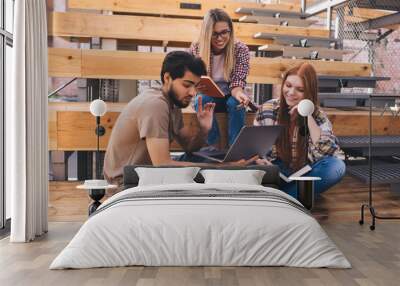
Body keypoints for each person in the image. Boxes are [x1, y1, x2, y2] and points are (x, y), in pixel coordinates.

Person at [103, 51, 256, 185]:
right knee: (218, 169)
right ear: (167, 78)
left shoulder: (172, 104)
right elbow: (162, 165)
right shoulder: (155, 105)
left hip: (145, 174)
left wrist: (204, 129)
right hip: (125, 182)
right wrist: (225, 168)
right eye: (187, 85)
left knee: (210, 158)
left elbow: (189, 147)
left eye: (196, 87)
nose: (193, 93)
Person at [254, 63, 346, 199]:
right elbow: (255, 148)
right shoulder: (267, 108)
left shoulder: (318, 116)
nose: (291, 93)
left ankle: (283, 199)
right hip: (275, 170)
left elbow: (330, 154)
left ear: (309, 92)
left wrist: (307, 116)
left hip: (303, 172)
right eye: (288, 85)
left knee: (337, 167)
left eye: (300, 89)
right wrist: (260, 161)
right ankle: (297, 195)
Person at [189, 8, 251, 148]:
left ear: (230, 31)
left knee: (236, 103)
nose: (220, 38)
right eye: (214, 34)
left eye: (224, 32)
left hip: (231, 94)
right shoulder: (197, 48)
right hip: (208, 96)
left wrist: (240, 94)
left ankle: (236, 149)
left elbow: (237, 83)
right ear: (207, 34)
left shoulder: (240, 49)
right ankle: (214, 147)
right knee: (202, 99)